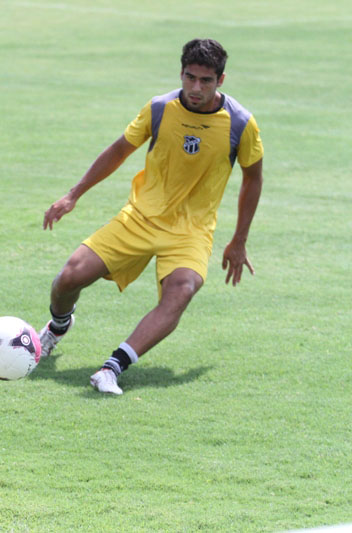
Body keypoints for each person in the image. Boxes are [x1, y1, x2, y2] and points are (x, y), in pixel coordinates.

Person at [39, 39, 263, 395]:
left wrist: (239, 240)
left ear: (221, 80)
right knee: (69, 277)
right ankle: (57, 326)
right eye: (190, 78)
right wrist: (73, 194)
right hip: (140, 218)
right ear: (181, 73)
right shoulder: (160, 108)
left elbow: (253, 178)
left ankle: (112, 368)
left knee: (182, 290)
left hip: (191, 231)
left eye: (206, 80)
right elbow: (119, 150)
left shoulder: (240, 123)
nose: (195, 88)